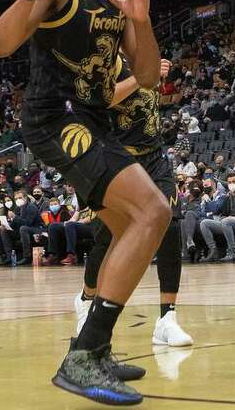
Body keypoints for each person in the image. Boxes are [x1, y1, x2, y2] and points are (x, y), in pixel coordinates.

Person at [0, 0, 169, 404]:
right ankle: (84, 356)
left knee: (127, 228)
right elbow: (1, 45)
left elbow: (147, 76)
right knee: (152, 211)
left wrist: (140, 18)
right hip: (56, 119)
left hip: (96, 121)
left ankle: (94, 347)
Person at [76, 57, 194, 350]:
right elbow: (98, 102)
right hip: (115, 158)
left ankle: (167, 319)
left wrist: (156, 74)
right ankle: (87, 301)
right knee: (107, 240)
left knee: (170, 227)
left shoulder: (143, 50)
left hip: (154, 157)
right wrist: (142, 77)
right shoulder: (97, 58)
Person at [199, 172, 235, 261]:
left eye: (234, 181)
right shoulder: (227, 196)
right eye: (229, 182)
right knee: (204, 223)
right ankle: (213, 250)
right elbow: (221, 212)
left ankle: (231, 252)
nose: (231, 184)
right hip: (228, 223)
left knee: (226, 221)